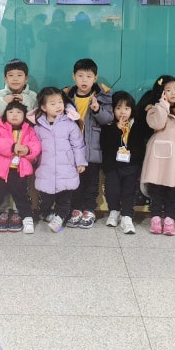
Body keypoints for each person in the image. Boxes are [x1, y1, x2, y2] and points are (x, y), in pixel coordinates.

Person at [0, 58, 38, 231]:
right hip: (4, 152)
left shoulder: (32, 96)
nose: (15, 79)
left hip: (23, 149)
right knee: (0, 185)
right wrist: (4, 101)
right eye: (11, 75)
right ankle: (3, 211)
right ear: (5, 78)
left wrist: (26, 101)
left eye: (19, 75)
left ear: (26, 78)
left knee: (20, 186)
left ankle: (17, 212)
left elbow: (36, 119)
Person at [140, 76, 175, 236]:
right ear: (161, 93)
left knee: (174, 189)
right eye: (168, 90)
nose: (173, 93)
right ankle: (156, 218)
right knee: (156, 189)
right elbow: (157, 124)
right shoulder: (154, 109)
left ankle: (170, 219)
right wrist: (163, 104)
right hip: (158, 157)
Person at [63, 58, 113, 228]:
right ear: (73, 76)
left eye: (89, 76)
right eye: (80, 76)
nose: (84, 80)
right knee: (74, 181)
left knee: (91, 182)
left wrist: (97, 109)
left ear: (95, 78)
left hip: (92, 148)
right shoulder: (66, 96)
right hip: (72, 150)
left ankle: (89, 209)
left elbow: (108, 119)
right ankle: (76, 209)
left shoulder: (102, 96)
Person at [32, 87, 87, 233]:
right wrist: (32, 160)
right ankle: (46, 213)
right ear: (43, 107)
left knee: (64, 198)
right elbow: (35, 146)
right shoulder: (38, 126)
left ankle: (60, 218)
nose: (58, 106)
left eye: (60, 102)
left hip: (66, 169)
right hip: (46, 169)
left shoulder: (70, 124)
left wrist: (80, 162)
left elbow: (78, 145)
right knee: (46, 198)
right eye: (53, 103)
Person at [100, 91, 148, 234]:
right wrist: (117, 130)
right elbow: (105, 144)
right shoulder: (108, 125)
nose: (123, 112)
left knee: (129, 191)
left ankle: (127, 216)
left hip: (131, 165)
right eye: (118, 108)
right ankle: (114, 211)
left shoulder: (137, 125)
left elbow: (141, 145)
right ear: (112, 109)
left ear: (132, 110)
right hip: (113, 166)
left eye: (127, 108)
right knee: (112, 189)